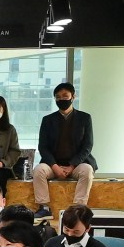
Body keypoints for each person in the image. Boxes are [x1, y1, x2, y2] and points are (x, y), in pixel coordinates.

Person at [33, 82, 96, 217]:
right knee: (38, 170)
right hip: (53, 165)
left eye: (65, 96)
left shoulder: (84, 118)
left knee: (87, 171)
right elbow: (43, 147)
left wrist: (72, 165)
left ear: (73, 97)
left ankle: (79, 208)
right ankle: (44, 207)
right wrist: (55, 166)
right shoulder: (48, 120)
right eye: (58, 97)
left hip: (77, 165)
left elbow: (88, 146)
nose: (61, 99)